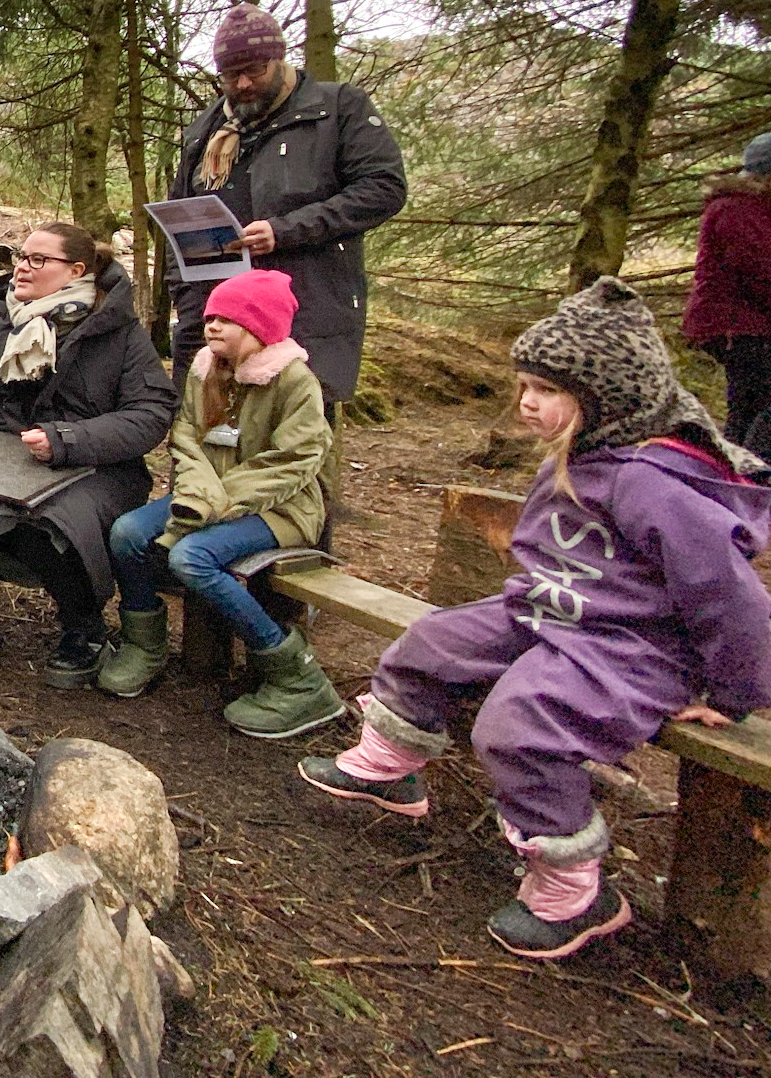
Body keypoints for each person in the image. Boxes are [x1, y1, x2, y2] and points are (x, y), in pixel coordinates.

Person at [299, 278, 771, 960]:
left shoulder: (651, 482)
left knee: (520, 725)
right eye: (524, 384)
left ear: (603, 400)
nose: (526, 401)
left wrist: (732, 693)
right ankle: (391, 765)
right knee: (432, 639)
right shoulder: (582, 455)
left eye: (546, 391)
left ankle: (574, 887)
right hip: (550, 611)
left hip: (629, 646)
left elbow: (731, 597)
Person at [0, 224, 177, 687]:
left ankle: (82, 627)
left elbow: (150, 413)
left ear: (77, 271)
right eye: (20, 256)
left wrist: (67, 439)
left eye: (38, 259)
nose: (22, 267)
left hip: (92, 465)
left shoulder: (119, 330)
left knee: (53, 523)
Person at [101, 270, 346, 736]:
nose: (212, 326)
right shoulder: (203, 371)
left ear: (260, 328)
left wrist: (217, 503)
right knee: (127, 532)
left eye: (227, 319)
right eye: (210, 316)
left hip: (282, 508)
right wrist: (197, 496)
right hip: (206, 496)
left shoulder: (295, 381)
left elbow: (295, 460)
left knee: (192, 557)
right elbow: (188, 439)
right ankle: (143, 645)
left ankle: (297, 677)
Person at [168, 4, 406, 410]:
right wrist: (185, 298)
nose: (242, 84)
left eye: (255, 70)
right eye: (230, 75)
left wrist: (285, 230)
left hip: (303, 312)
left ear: (280, 59)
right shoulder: (206, 129)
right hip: (213, 315)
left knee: (293, 443)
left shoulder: (338, 109)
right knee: (201, 437)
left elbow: (383, 189)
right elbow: (180, 214)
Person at [682, 132, 771, 458]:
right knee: (756, 404)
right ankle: (754, 478)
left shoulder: (753, 207)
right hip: (735, 325)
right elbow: (760, 271)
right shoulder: (736, 209)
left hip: (747, 324)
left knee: (748, 406)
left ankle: (736, 477)